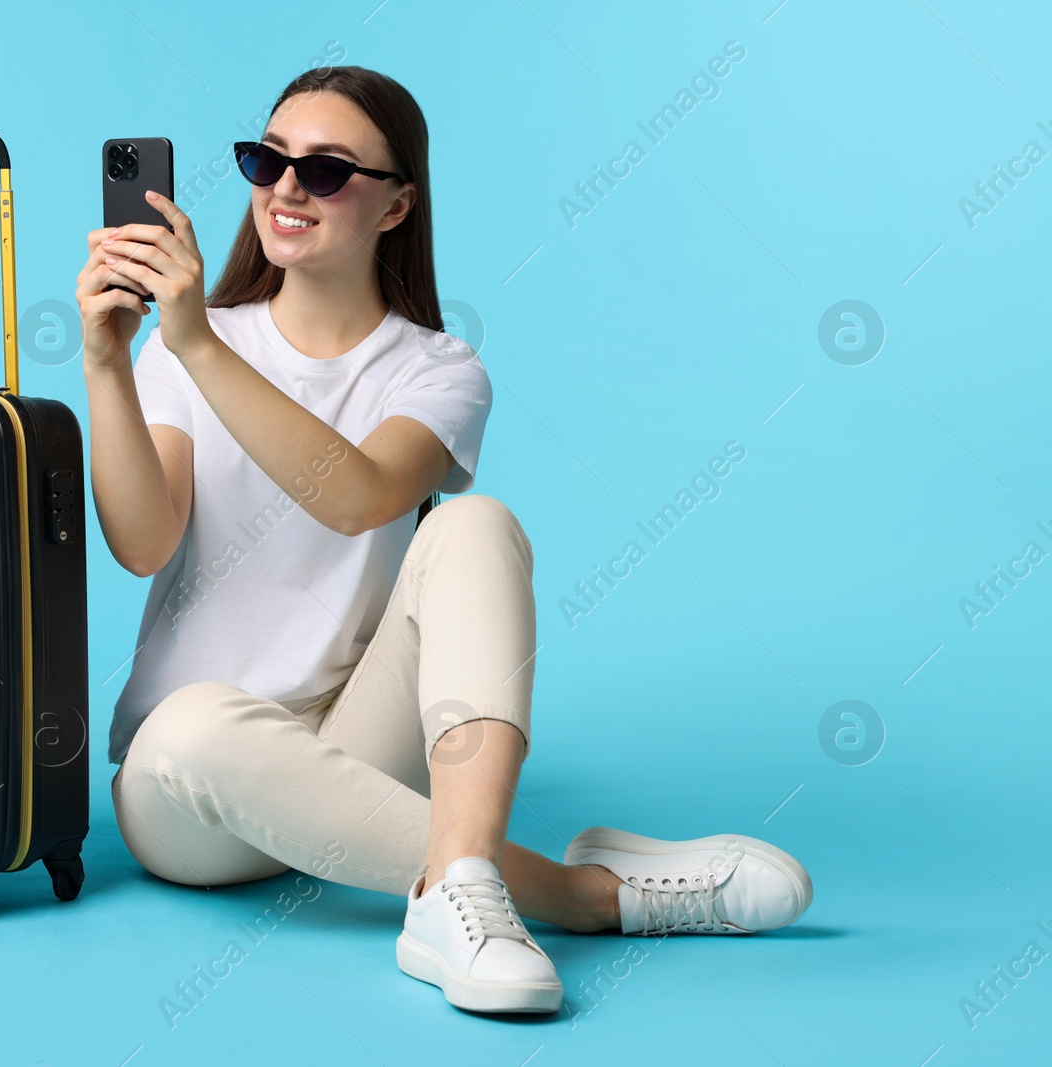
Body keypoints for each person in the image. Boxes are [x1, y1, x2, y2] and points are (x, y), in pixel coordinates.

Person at [73, 65, 811, 1015]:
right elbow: (141, 543)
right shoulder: (185, 343)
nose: (287, 188)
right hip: (192, 798)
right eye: (267, 162)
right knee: (188, 724)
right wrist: (108, 363)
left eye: (327, 171)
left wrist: (196, 345)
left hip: (360, 745)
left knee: (477, 522)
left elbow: (359, 497)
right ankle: (579, 894)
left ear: (395, 206)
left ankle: (457, 888)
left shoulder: (437, 368)